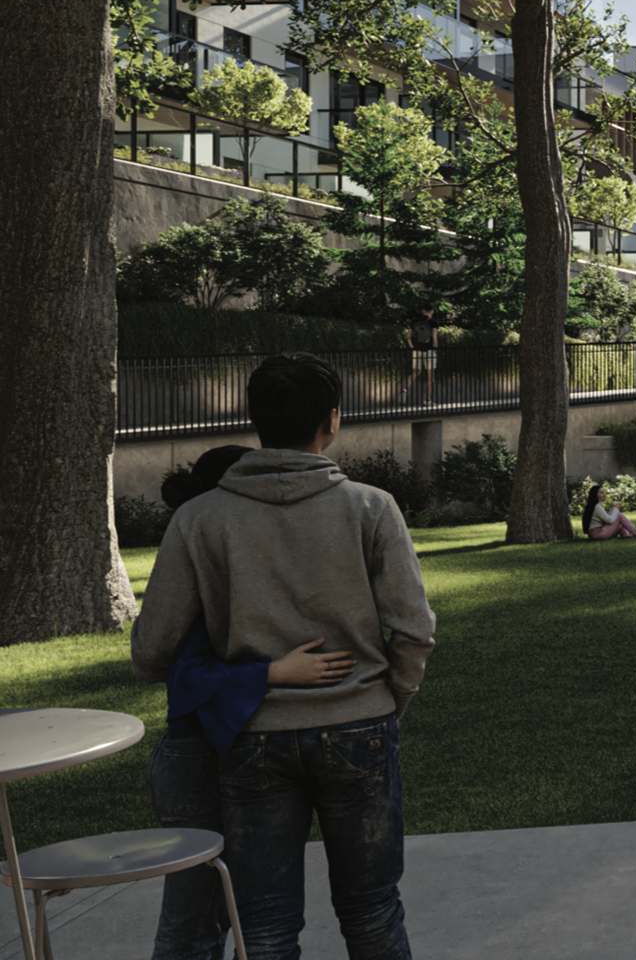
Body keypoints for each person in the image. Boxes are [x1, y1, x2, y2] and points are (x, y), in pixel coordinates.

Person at [131, 351, 436, 960]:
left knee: (264, 923)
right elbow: (414, 629)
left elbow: (152, 650)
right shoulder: (371, 507)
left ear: (255, 420)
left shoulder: (199, 518)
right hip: (360, 726)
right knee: (373, 909)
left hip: (252, 734)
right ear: (333, 420)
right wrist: (388, 700)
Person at [148, 445, 358, 960]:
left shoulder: (233, 572)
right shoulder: (202, 565)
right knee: (195, 920)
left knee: (230, 914)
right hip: (195, 760)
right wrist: (272, 673)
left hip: (223, 753)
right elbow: (176, 670)